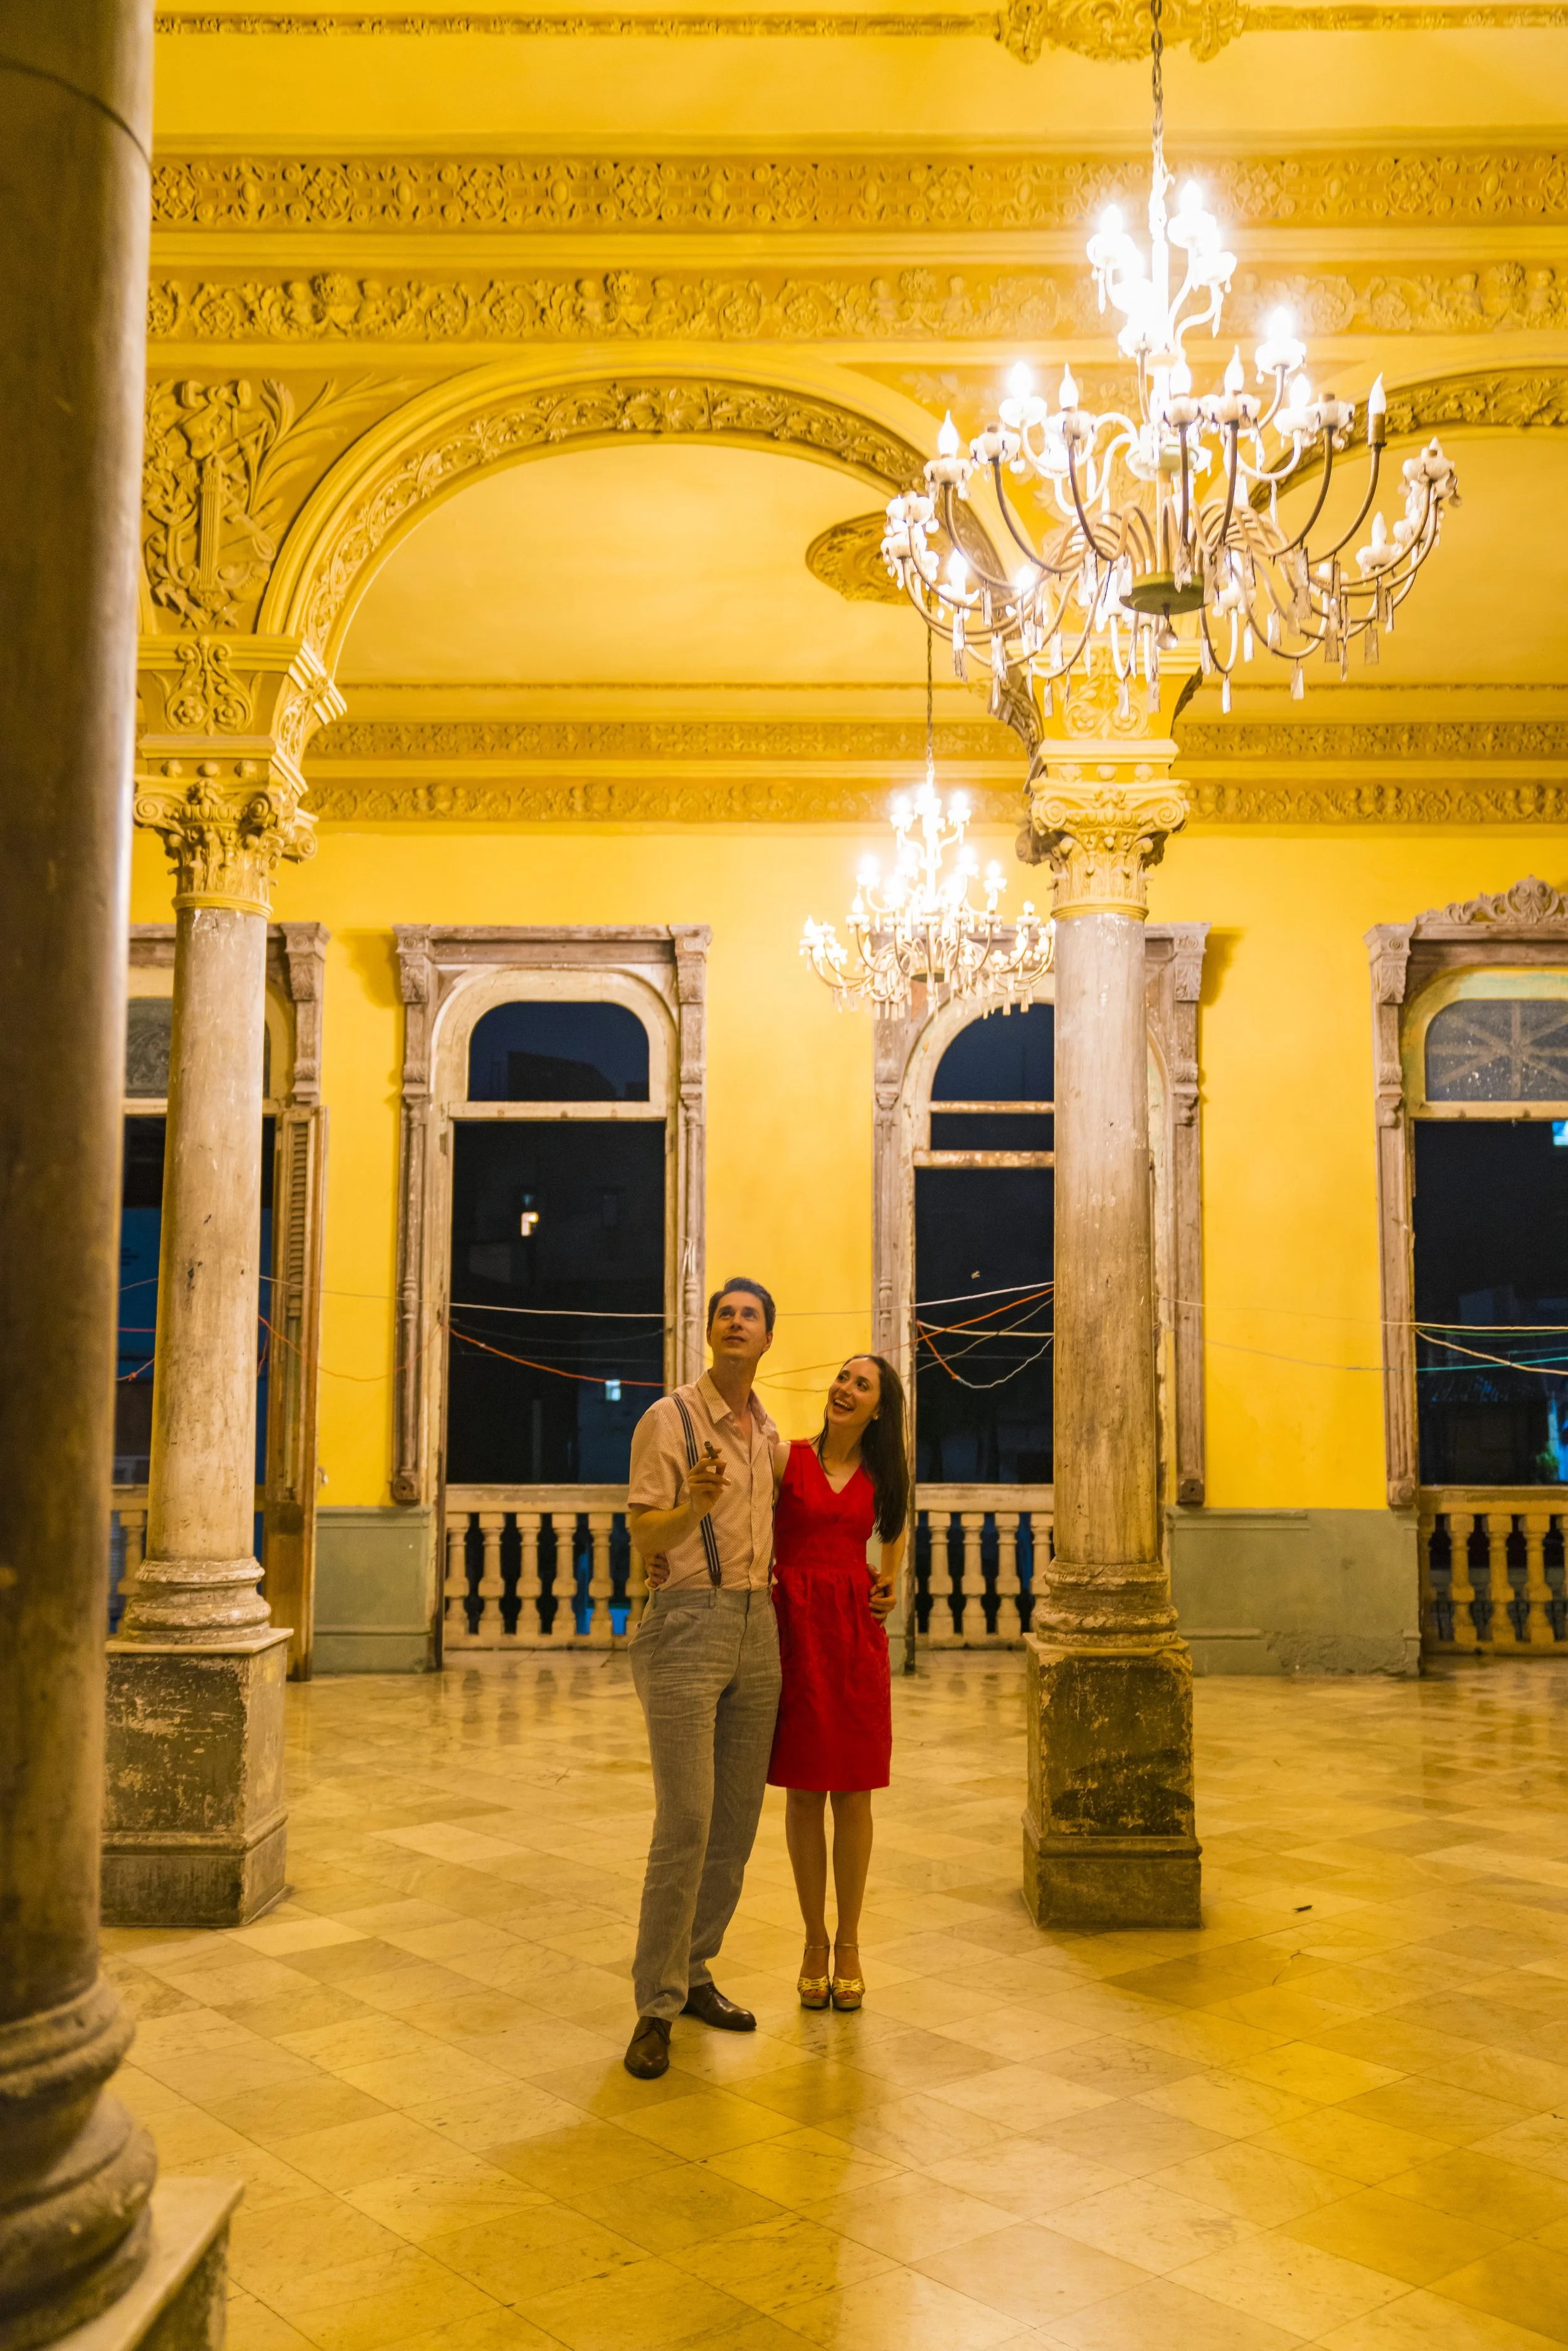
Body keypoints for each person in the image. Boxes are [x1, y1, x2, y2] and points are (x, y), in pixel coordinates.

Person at [621, 1276, 783, 2081]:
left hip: (760, 1628)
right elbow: (645, 1528)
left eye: (749, 1315)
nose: (734, 1322)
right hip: (687, 1622)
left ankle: (694, 1971)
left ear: (765, 1339)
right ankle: (654, 2005)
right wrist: (692, 1505)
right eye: (725, 1312)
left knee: (734, 1823)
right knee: (684, 1819)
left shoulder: (767, 1432)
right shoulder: (668, 1420)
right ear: (710, 1331)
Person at [768, 1355, 909, 2014]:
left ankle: (849, 1942)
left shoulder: (882, 1476)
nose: (844, 1388)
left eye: (861, 1384)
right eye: (843, 1378)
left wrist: (891, 1578)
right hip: (792, 1629)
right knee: (803, 1792)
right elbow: (742, 1521)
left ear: (878, 1408)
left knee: (853, 1793)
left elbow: (895, 1530)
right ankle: (813, 1940)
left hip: (853, 1635)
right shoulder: (785, 1458)